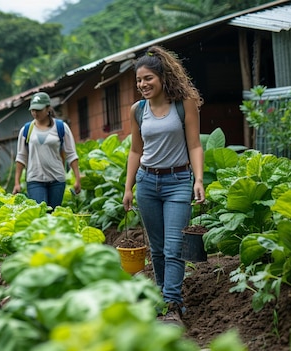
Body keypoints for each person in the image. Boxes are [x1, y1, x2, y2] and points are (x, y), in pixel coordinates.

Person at [122, 45, 205, 327]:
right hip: (147, 182)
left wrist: (199, 179)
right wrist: (128, 187)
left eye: (148, 79)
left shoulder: (184, 104)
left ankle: (171, 305)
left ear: (162, 77)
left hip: (178, 182)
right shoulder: (138, 110)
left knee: (174, 247)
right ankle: (162, 300)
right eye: (139, 81)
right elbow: (135, 150)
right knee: (156, 249)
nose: (143, 85)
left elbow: (194, 144)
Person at [12, 92, 81, 210]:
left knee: (53, 215)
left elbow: (71, 154)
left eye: (38, 110)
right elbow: (21, 157)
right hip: (34, 180)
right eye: (33, 110)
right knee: (40, 213)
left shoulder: (61, 127)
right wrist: (17, 182)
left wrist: (77, 179)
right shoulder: (27, 130)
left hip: (57, 179)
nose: (35, 113)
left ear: (48, 108)